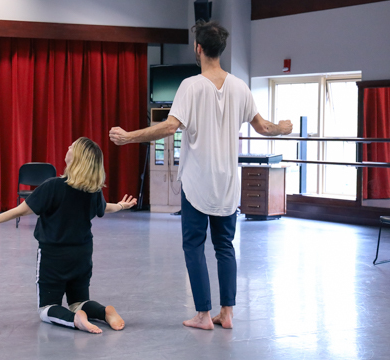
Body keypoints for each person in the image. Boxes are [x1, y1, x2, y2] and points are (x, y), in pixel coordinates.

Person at [109, 20, 293, 330]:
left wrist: (128, 137)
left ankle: (204, 315)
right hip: (227, 185)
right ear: (221, 49)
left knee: (193, 246)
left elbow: (169, 127)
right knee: (225, 247)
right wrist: (282, 129)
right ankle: (228, 313)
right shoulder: (240, 87)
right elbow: (263, 127)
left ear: (198, 48)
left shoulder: (190, 86)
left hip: (196, 182)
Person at [0, 137, 136, 334]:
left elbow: (19, 211)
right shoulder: (92, 191)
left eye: (72, 146)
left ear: (76, 157)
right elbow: (106, 207)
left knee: (47, 308)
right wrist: (122, 205)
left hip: (54, 257)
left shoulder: (53, 186)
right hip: (82, 254)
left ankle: (75, 321)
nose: (68, 147)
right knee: (79, 301)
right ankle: (104, 312)